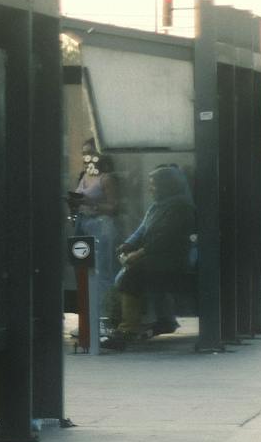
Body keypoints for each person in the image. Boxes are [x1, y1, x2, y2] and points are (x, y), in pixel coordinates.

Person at [101, 164, 196, 349]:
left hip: (172, 261)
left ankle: (128, 329)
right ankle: (153, 320)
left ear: (167, 185)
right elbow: (142, 230)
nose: (150, 189)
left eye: (154, 185)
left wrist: (137, 254)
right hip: (157, 258)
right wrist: (127, 245)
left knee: (132, 276)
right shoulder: (157, 207)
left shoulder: (181, 207)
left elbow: (165, 238)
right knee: (132, 274)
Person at [67, 137, 121, 321]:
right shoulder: (84, 176)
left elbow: (114, 206)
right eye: (84, 153)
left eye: (91, 153)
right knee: (82, 271)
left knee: (102, 271)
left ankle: (105, 316)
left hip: (100, 224)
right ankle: (88, 317)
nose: (87, 157)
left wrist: (91, 204)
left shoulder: (105, 178)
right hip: (82, 224)